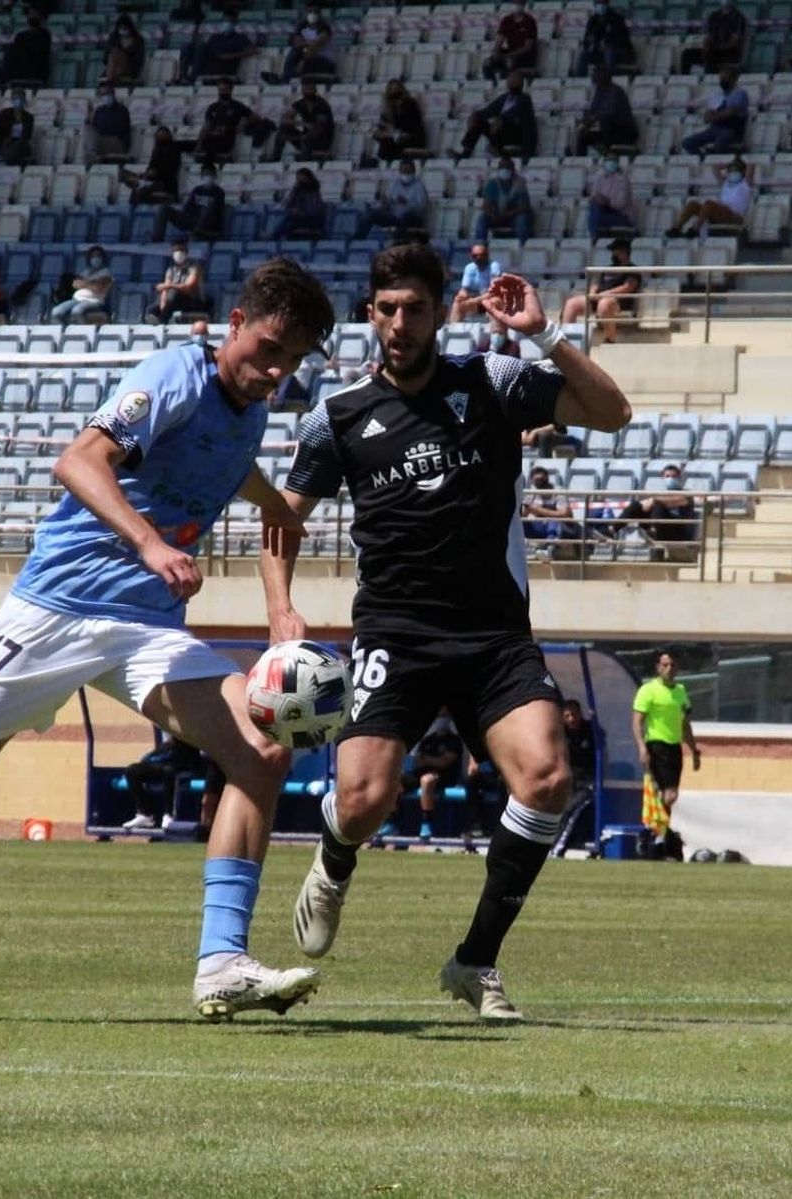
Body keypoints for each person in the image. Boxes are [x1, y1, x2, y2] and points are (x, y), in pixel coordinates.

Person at [0, 259, 337, 1022]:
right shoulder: (174, 375)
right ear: (235, 326)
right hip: (54, 613)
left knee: (263, 748)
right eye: (270, 346)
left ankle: (221, 961)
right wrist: (152, 544)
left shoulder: (248, 411)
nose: (276, 369)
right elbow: (78, 459)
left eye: (294, 358)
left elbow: (227, 464)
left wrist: (276, 521)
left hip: (146, 630)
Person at [260, 243, 633, 1022]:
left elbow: (611, 413)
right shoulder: (340, 416)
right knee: (362, 799)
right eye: (387, 309)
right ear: (371, 313)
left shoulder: (490, 382)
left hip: (494, 635)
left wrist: (543, 334)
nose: (400, 323)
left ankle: (476, 960)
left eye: (415, 309)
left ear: (440, 311)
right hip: (394, 635)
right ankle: (334, 858)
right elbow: (280, 522)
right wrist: (281, 614)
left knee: (548, 778)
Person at [632, 653, 701, 843]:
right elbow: (637, 721)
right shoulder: (648, 690)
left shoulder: (680, 691)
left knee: (670, 794)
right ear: (658, 667)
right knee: (667, 795)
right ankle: (657, 832)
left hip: (674, 746)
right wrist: (642, 748)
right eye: (665, 665)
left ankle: (658, 832)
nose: (669, 668)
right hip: (656, 745)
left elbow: (685, 725)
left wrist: (694, 750)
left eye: (672, 665)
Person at [121, 733, 206, 831]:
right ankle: (145, 814)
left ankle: (168, 815)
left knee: (169, 772)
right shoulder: (166, 743)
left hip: (185, 763)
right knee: (131, 771)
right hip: (165, 762)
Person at [562, 236, 638, 344]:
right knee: (572, 303)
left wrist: (605, 294)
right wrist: (593, 293)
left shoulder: (632, 269)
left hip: (618, 302)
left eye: (615, 251)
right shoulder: (608, 269)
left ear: (624, 252)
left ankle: (609, 339)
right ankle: (566, 340)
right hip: (598, 298)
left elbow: (628, 287)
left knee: (604, 303)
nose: (613, 255)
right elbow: (596, 283)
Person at [403, 709, 464, 842]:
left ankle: (426, 823)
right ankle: (389, 821)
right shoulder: (429, 739)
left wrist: (428, 759)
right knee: (395, 780)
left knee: (427, 780)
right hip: (418, 774)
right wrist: (431, 759)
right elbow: (417, 761)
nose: (441, 719)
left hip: (444, 777)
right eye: (439, 716)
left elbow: (445, 762)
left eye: (444, 716)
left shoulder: (453, 740)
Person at [551, 699, 599, 857]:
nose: (572, 718)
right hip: (567, 782)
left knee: (570, 810)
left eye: (574, 714)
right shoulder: (559, 733)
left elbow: (603, 753)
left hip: (587, 783)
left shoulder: (591, 731)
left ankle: (556, 848)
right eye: (568, 715)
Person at [458, 70, 538, 161]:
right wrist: (475, 116)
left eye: (515, 79)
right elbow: (488, 112)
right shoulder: (504, 98)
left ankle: (497, 150)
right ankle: (466, 152)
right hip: (499, 131)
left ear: (521, 83)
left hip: (516, 133)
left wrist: (501, 120)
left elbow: (518, 118)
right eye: (510, 78)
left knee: (498, 121)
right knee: (477, 118)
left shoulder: (525, 99)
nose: (511, 80)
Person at [667, 157, 753, 237]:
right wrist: (730, 164)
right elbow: (715, 167)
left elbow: (751, 166)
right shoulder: (725, 184)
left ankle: (696, 229)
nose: (733, 173)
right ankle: (677, 228)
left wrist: (739, 164)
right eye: (731, 171)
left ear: (742, 172)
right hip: (721, 213)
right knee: (692, 204)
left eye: (736, 171)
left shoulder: (745, 185)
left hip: (735, 216)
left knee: (709, 204)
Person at [615, 463, 699, 545]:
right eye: (667, 476)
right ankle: (612, 529)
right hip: (662, 528)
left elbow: (672, 501)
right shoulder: (661, 495)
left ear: (679, 478)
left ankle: (653, 531)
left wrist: (654, 500)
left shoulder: (686, 495)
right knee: (636, 506)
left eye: (674, 476)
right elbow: (645, 504)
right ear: (663, 478)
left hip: (678, 531)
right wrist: (643, 504)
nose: (671, 479)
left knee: (659, 505)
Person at [681, 66, 749, 157]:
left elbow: (731, 111)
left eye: (725, 78)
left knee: (720, 143)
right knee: (687, 143)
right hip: (715, 128)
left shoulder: (740, 94)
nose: (722, 81)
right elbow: (707, 117)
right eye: (721, 78)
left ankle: (736, 152)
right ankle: (704, 158)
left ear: (733, 79)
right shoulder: (717, 95)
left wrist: (715, 115)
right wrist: (716, 115)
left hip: (732, 129)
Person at [574, 64, 638, 158]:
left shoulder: (616, 91)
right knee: (582, 137)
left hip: (623, 132)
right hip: (608, 132)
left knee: (606, 124)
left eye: (598, 75)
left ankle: (609, 158)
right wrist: (584, 123)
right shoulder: (600, 91)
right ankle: (579, 160)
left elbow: (608, 113)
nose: (595, 78)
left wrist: (590, 121)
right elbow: (593, 110)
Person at [195, 80, 265, 164]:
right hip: (211, 137)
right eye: (220, 89)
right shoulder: (212, 107)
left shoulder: (237, 106)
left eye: (224, 89)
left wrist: (244, 122)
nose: (222, 92)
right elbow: (205, 126)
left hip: (225, 139)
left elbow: (256, 117)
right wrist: (198, 143)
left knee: (211, 144)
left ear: (231, 90)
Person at [359, 158, 430, 239]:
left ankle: (396, 242)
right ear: (399, 171)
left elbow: (421, 208)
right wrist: (384, 202)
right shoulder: (394, 184)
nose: (405, 174)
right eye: (403, 171)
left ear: (413, 171)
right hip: (395, 215)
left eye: (408, 171)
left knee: (405, 217)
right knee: (370, 215)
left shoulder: (419, 186)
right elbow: (388, 201)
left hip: (413, 217)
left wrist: (407, 202)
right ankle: (359, 241)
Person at [266, 79, 335, 163]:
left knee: (307, 139)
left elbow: (320, 127)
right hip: (305, 136)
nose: (307, 91)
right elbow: (284, 119)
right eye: (305, 89)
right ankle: (275, 159)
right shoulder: (301, 103)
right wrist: (303, 124)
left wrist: (304, 136)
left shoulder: (322, 105)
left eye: (310, 89)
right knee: (283, 130)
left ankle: (303, 163)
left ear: (315, 90)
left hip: (321, 140)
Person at [153, 164, 227, 241]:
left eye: (211, 174)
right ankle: (157, 238)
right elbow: (188, 208)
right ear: (201, 176)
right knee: (163, 208)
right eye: (206, 174)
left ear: (215, 176)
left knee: (205, 208)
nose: (208, 176)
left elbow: (217, 213)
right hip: (192, 220)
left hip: (208, 224)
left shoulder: (219, 192)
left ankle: (197, 233)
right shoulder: (197, 190)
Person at [270, 4, 337, 83]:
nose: (312, 14)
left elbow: (316, 46)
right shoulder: (302, 25)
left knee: (307, 60)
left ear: (319, 14)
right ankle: (286, 76)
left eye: (315, 12)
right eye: (310, 12)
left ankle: (286, 78)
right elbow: (296, 43)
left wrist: (305, 47)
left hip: (325, 61)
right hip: (308, 57)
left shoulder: (324, 27)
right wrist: (309, 43)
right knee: (294, 51)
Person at [521, 465, 581, 553]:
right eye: (536, 480)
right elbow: (523, 513)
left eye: (541, 479)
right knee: (521, 521)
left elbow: (564, 513)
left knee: (553, 520)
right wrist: (526, 510)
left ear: (547, 478)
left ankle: (548, 547)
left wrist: (537, 510)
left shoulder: (557, 491)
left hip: (561, 528)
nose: (538, 482)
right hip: (539, 526)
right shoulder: (531, 492)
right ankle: (526, 547)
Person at [474, 156, 533, 243]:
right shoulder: (492, 183)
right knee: (482, 218)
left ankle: (522, 246)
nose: (505, 169)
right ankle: (479, 246)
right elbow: (486, 205)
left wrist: (506, 214)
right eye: (502, 167)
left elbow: (524, 207)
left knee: (522, 219)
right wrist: (493, 214)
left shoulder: (520, 183)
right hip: (497, 216)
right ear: (498, 169)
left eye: (508, 167)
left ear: (513, 169)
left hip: (513, 216)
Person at [147, 242, 209, 325]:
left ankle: (162, 319)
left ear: (186, 253)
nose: (179, 253)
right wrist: (163, 301)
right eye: (176, 251)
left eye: (181, 250)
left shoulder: (194, 267)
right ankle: (152, 316)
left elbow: (189, 286)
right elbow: (166, 288)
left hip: (195, 301)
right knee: (159, 299)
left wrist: (170, 286)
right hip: (176, 301)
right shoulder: (171, 269)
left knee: (174, 293)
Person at [680, 0, 748, 76]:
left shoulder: (739, 18)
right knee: (687, 54)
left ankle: (710, 79)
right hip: (713, 50)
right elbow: (709, 36)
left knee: (711, 55)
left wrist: (716, 48)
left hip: (730, 53)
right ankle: (683, 78)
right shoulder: (714, 16)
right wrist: (706, 46)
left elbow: (734, 41)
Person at [50, 246, 114, 324]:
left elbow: (98, 288)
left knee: (77, 311)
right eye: (93, 256)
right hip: (77, 300)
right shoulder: (86, 272)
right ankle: (66, 332)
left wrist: (84, 283)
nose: (95, 258)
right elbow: (75, 284)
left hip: (94, 301)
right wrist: (91, 283)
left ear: (103, 258)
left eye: (98, 256)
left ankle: (85, 333)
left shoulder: (106, 273)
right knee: (56, 312)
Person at [0, 8, 51, 89]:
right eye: (31, 14)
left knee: (11, 51)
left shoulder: (45, 35)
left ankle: (3, 78)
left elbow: (40, 53)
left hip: (33, 70)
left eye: (35, 13)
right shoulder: (21, 35)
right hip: (18, 68)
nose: (32, 15)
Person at [370, 79, 427, 166]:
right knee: (384, 142)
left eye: (398, 95)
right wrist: (382, 134)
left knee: (389, 143)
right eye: (392, 96)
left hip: (411, 139)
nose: (396, 100)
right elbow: (382, 129)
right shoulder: (388, 110)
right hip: (395, 139)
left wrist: (393, 132)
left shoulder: (410, 105)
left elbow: (411, 129)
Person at [122, 127, 183, 207]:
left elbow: (170, 169)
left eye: (162, 135)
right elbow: (151, 167)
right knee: (136, 191)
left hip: (166, 185)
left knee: (141, 192)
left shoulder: (174, 148)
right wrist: (143, 176)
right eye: (158, 136)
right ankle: (135, 215)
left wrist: (153, 174)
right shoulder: (156, 151)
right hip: (154, 183)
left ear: (168, 136)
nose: (159, 138)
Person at [575, 0, 635, 77]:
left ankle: (607, 80)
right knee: (584, 55)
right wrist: (590, 42)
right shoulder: (593, 20)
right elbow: (587, 39)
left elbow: (623, 40)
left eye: (602, 3)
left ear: (607, 3)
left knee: (609, 52)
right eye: (598, 3)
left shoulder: (617, 19)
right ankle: (579, 81)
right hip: (599, 52)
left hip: (619, 53)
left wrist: (608, 43)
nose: (600, 5)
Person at [483, 0, 539, 82]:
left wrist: (510, 55)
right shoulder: (507, 20)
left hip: (525, 56)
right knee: (487, 63)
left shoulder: (529, 21)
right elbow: (499, 40)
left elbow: (528, 46)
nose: (517, 6)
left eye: (520, 3)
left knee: (509, 62)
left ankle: (507, 85)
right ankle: (491, 85)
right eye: (515, 3)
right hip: (510, 52)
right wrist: (496, 52)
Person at [584, 158, 638, 240]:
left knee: (596, 212)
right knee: (594, 206)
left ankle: (594, 237)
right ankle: (594, 235)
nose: (610, 163)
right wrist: (597, 199)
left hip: (622, 217)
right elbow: (594, 196)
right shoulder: (600, 179)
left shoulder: (623, 180)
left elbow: (620, 204)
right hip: (604, 214)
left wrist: (607, 201)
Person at [267, 167, 327, 240]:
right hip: (300, 218)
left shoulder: (313, 191)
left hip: (313, 219)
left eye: (301, 179)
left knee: (289, 219)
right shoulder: (298, 190)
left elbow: (312, 210)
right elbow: (289, 204)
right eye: (298, 179)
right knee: (287, 217)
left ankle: (274, 236)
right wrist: (294, 189)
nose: (299, 181)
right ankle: (275, 237)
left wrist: (299, 211)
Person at [449, 242, 503, 323]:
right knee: (458, 300)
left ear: (487, 255)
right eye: (475, 255)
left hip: (488, 300)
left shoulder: (494, 266)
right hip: (476, 302)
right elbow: (464, 289)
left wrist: (473, 301)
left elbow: (493, 292)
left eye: (481, 255)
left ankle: (496, 332)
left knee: (494, 301)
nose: (478, 257)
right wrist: (462, 295)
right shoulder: (469, 267)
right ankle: (453, 329)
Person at [195, 16, 259, 83]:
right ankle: (192, 77)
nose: (227, 24)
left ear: (234, 24)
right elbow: (208, 49)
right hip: (211, 63)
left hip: (227, 65)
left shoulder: (240, 37)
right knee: (197, 47)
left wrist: (231, 55)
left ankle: (194, 77)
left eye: (230, 22)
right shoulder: (215, 37)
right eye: (225, 22)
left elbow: (254, 50)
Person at [86, 86, 133, 163]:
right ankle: (92, 156)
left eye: (106, 94)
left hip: (116, 142)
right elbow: (94, 128)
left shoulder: (122, 110)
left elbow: (120, 129)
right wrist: (89, 116)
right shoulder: (99, 110)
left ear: (113, 94)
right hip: (101, 141)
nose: (104, 97)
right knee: (88, 129)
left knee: (108, 139)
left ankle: (94, 155)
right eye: (102, 95)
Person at [0, 89, 36, 168]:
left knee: (18, 146)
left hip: (21, 145)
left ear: (24, 100)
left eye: (20, 98)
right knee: (9, 148)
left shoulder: (28, 117)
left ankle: (10, 161)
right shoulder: (4, 114)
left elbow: (27, 135)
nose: (18, 101)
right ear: (12, 99)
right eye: (16, 98)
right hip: (6, 143)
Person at [104, 15, 147, 86]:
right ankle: (111, 78)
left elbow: (139, 60)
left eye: (124, 28)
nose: (123, 30)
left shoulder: (138, 40)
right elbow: (105, 58)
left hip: (131, 69)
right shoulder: (114, 39)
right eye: (120, 28)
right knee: (114, 53)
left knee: (116, 54)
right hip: (114, 70)